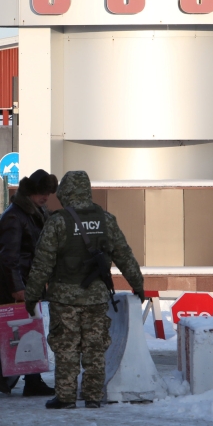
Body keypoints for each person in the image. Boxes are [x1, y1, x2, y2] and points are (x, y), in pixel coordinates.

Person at [23, 171, 145, 409]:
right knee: (95, 347)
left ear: (67, 192)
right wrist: (138, 284)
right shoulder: (105, 219)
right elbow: (124, 255)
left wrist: (32, 296)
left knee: (66, 347)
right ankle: (92, 396)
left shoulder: (58, 222)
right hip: (97, 298)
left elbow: (42, 264)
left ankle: (66, 397)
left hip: (64, 298)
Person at [0, 169, 58, 396]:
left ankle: (26, 380)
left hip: (27, 284)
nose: (46, 197)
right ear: (31, 192)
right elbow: (9, 257)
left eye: (48, 193)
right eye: (42, 192)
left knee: (25, 332)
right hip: (15, 288)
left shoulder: (34, 213)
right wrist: (17, 288)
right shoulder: (15, 216)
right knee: (19, 334)